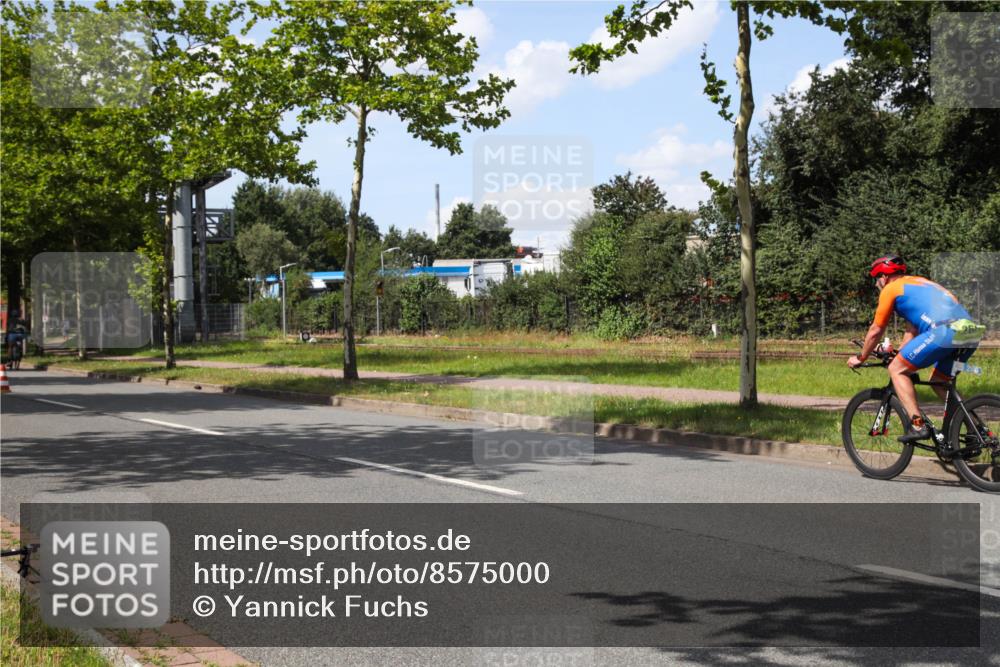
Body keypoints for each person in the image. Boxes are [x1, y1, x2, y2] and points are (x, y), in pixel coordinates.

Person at [848, 254, 985, 443]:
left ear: (884, 277)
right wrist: (898, 353)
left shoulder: (891, 289)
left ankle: (917, 425)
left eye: (876, 279)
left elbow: (876, 329)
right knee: (939, 381)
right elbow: (912, 330)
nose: (876, 284)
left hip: (945, 330)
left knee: (896, 369)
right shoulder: (922, 283)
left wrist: (861, 357)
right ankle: (976, 431)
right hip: (970, 330)